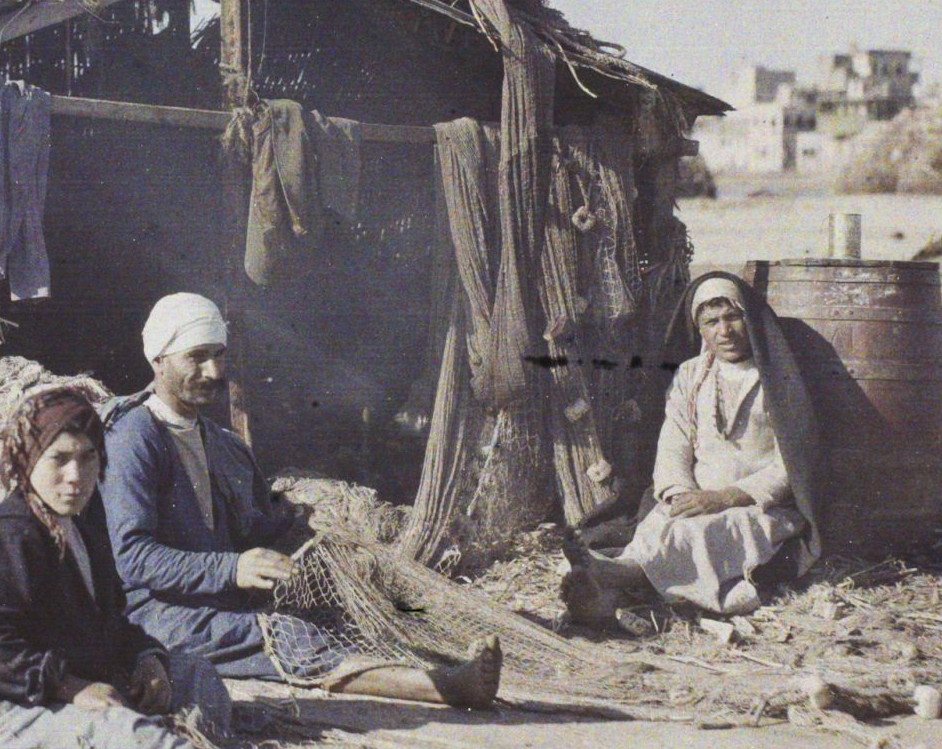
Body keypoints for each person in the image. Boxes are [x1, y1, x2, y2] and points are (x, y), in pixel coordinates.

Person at [0, 384, 377, 749]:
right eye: (59, 459)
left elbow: (112, 617)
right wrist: (71, 688)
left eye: (89, 459)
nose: (76, 476)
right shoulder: (6, 538)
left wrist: (146, 656)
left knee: (195, 675)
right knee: (126, 738)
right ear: (27, 460)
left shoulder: (83, 524)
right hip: (9, 707)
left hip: (73, 677)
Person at [100, 293, 502, 707]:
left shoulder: (222, 444)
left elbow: (246, 530)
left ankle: (439, 671)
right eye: (197, 357)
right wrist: (233, 568)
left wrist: (298, 523)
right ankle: (446, 688)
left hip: (216, 601)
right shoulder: (134, 436)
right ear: (158, 359)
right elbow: (132, 557)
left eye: (219, 355)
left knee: (332, 617)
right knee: (289, 635)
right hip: (153, 617)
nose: (214, 370)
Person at [562, 271, 826, 625]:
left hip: (759, 507)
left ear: (750, 319)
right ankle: (606, 597)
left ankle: (614, 575)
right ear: (699, 329)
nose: (724, 331)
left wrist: (725, 498)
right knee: (661, 526)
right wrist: (680, 494)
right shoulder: (690, 374)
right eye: (711, 322)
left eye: (733, 317)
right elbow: (674, 442)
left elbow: (792, 464)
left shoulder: (777, 378)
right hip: (696, 498)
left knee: (701, 534)